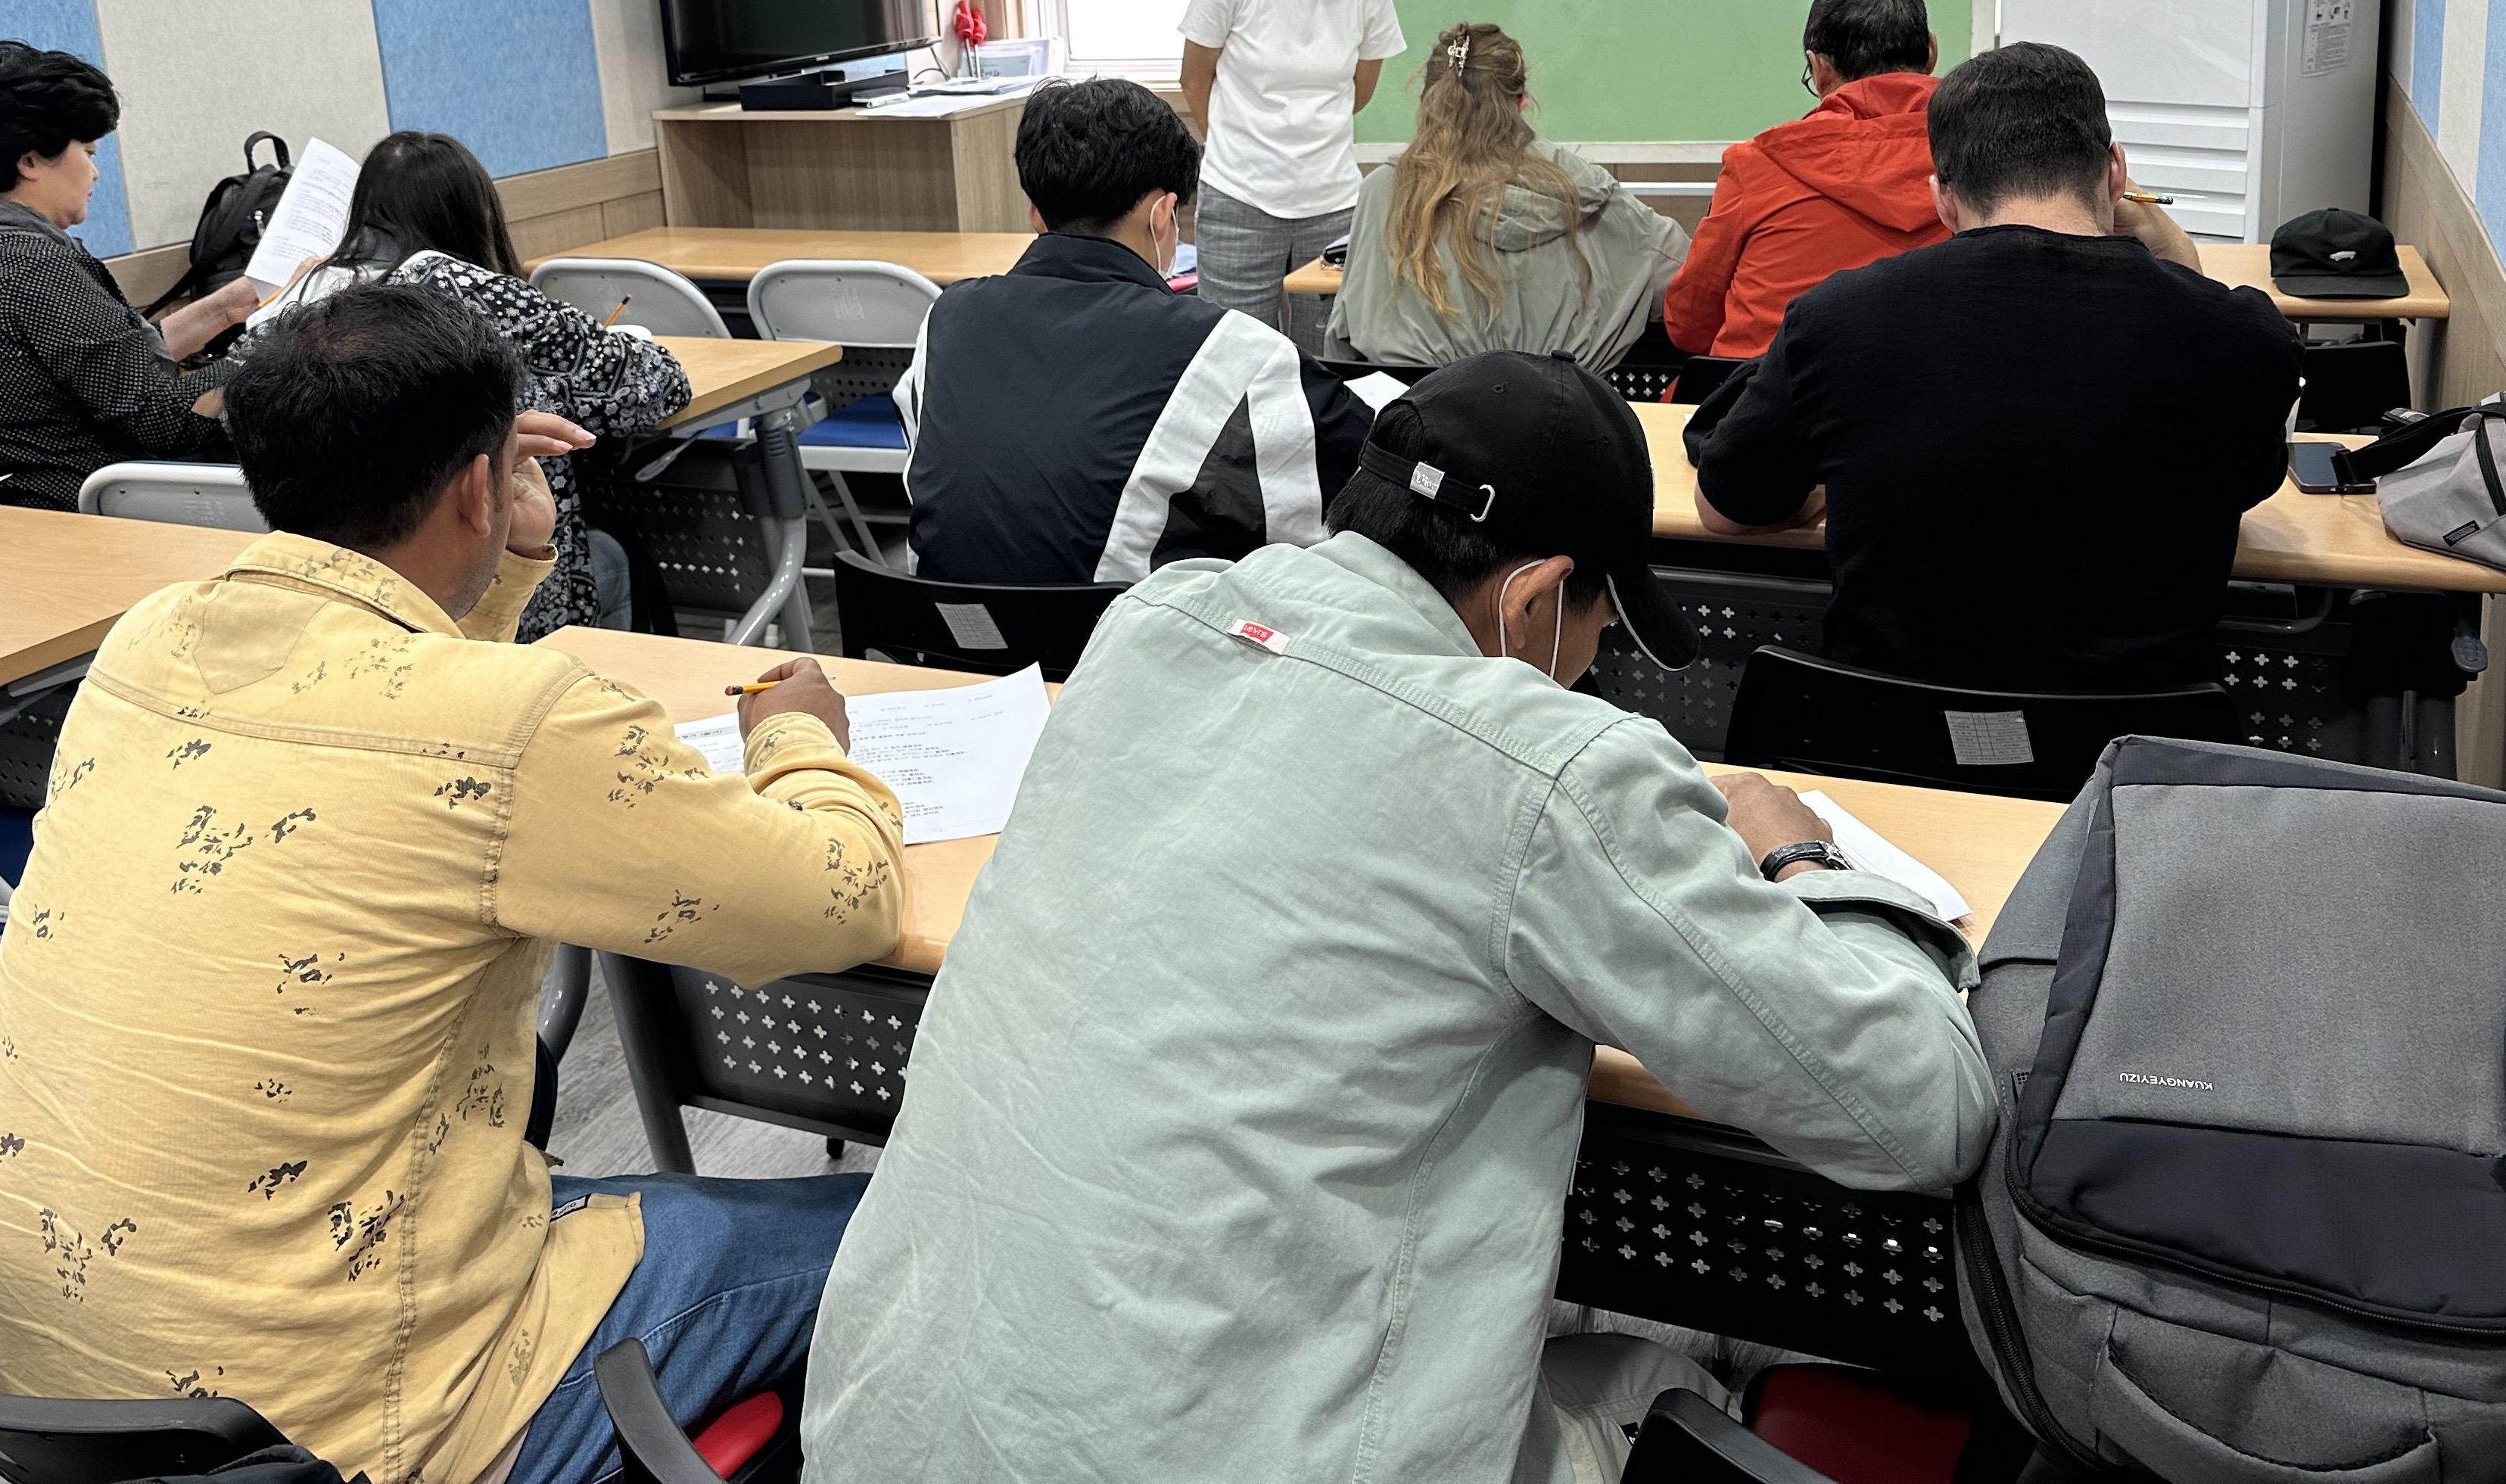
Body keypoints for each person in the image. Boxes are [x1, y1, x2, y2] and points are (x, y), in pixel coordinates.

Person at [808, 353, 1993, 1483]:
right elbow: (1926, 1109)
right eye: (1595, 634)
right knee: (1675, 1382)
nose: (1587, 668)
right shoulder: (1549, 768)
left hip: (884, 1430)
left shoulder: (1153, 620)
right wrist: (1798, 857)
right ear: (1532, 601)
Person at [0, 283, 905, 1484]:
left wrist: (503, 564)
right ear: (476, 484)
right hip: (346, 1426)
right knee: (922, 1227)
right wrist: (799, 736)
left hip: (50, 1406)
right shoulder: (519, 725)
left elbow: (414, 719)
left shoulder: (147, 640)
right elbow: (843, 902)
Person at [1694, 41, 2302, 693]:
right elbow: (2239, 482)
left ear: (1942, 199)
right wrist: (2170, 243)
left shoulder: (1834, 320)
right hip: (2134, 747)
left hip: (1891, 742)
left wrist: (1828, 489)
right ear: (2116, 173)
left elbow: (1722, 510)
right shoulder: (2244, 337)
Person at [896, 76, 1371, 584]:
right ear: (1162, 215)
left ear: (1035, 212)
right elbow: (1365, 474)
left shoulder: (947, 318)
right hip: (1114, 629)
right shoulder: (1228, 348)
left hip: (938, 626)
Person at [242, 131, 689, 637]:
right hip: (482, 583)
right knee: (614, 557)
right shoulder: (479, 294)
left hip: (323, 596)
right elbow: (659, 383)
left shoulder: (299, 298)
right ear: (477, 214)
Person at [0, 42, 260, 509]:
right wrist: (272, 350)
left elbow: (109, 363)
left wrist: (229, 307)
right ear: (29, 161)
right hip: (94, 513)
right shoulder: (31, 265)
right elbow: (163, 421)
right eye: (89, 152)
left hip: (23, 510)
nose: (95, 173)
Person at [1326, 20, 1686, 375]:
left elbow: (1345, 339)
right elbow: (1684, 280)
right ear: (1521, 104)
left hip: (1419, 408)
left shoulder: (1384, 192)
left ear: (1428, 103)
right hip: (1563, 407)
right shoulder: (1584, 190)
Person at [1178, 0, 1418, 330]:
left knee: (1330, 358)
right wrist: (1237, 150)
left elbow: (1355, 95)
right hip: (1238, 200)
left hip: (1333, 205)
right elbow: (1195, 81)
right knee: (1236, 355)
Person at [1664, 0, 1947, 364]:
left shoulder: (1758, 165)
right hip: (1935, 394)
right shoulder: (1984, 156)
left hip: (1766, 395)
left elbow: (1690, 324)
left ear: (1818, 67)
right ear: (1931, 52)